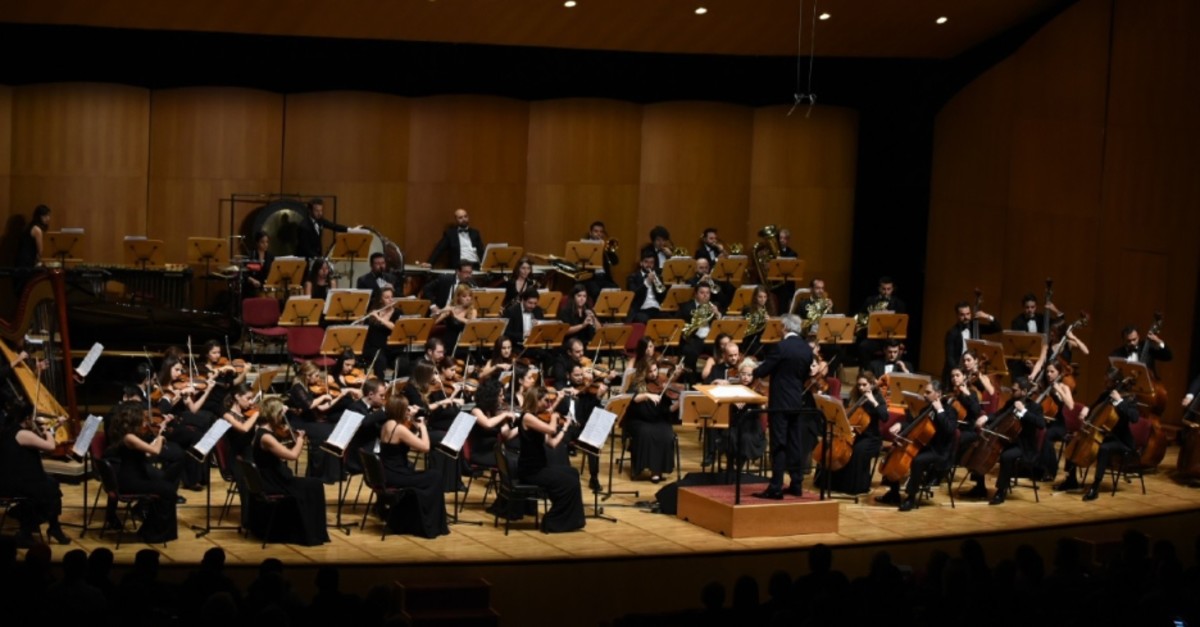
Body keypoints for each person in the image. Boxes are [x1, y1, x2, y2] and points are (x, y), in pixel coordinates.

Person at [248, 397, 330, 545]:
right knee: (315, 485)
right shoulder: (266, 437)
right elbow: (292, 456)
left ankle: (313, 531)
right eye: (281, 414)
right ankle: (312, 533)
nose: (282, 418)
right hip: (273, 482)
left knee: (313, 484)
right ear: (275, 414)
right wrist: (300, 440)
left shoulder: (261, 430)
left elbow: (278, 451)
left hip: (272, 477)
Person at [752, 314, 814, 499]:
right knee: (794, 442)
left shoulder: (781, 347)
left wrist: (754, 370)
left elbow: (763, 370)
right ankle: (796, 484)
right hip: (796, 400)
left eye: (780, 326)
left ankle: (776, 487)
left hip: (780, 402)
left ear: (785, 327)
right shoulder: (806, 348)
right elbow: (805, 375)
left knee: (779, 443)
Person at [876, 380, 957, 512]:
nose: (924, 395)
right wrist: (900, 425)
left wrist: (940, 410)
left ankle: (911, 498)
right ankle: (893, 493)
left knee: (917, 461)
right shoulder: (926, 409)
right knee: (896, 449)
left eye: (928, 392)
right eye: (925, 392)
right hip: (924, 446)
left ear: (938, 394)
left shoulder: (950, 411)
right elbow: (914, 424)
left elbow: (950, 429)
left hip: (939, 451)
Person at [104, 402, 179, 543]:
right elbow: (155, 451)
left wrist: (159, 434)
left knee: (167, 488)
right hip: (130, 481)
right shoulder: (129, 437)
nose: (145, 421)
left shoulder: (130, 436)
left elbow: (148, 454)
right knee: (168, 490)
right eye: (142, 417)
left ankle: (150, 530)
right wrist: (160, 439)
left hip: (136, 477)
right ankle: (154, 533)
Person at [376, 395, 449, 538]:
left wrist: (414, 426)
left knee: (429, 475)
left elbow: (410, 441)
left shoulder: (387, 424)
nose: (409, 411)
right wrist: (423, 427)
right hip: (397, 476)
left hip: (388, 473)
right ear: (400, 410)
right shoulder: (398, 429)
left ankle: (412, 520)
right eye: (406, 409)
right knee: (435, 476)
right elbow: (425, 447)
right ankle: (429, 524)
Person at [517, 387, 585, 533]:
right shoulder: (527, 417)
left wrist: (565, 428)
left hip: (540, 466)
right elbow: (551, 430)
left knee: (573, 473)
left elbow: (552, 443)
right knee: (569, 482)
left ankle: (573, 519)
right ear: (536, 400)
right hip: (531, 471)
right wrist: (554, 416)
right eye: (546, 401)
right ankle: (553, 521)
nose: (549, 404)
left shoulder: (539, 417)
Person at [0, 410, 69, 546]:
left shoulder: (10, 430)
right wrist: (48, 431)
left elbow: (40, 440)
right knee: (51, 491)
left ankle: (50, 527)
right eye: (33, 417)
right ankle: (30, 530)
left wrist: (54, 427)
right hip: (14, 483)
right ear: (27, 419)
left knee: (51, 485)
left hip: (12, 479)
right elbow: (50, 446)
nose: (34, 420)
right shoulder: (23, 434)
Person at [824, 373, 886, 496]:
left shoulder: (878, 398)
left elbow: (885, 417)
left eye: (864, 385)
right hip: (855, 435)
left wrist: (873, 401)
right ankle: (833, 484)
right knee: (832, 448)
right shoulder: (855, 396)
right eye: (859, 385)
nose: (861, 388)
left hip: (871, 438)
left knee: (857, 451)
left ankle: (856, 486)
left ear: (872, 384)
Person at [987, 377, 1045, 505]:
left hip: (1024, 446)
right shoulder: (1011, 402)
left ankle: (1001, 491)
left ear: (1024, 391)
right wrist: (986, 418)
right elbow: (999, 415)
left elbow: (1041, 424)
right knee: (983, 446)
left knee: (1006, 456)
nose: (1011, 393)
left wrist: (1023, 411)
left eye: (1014, 390)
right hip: (1009, 441)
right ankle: (979, 486)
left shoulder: (1034, 407)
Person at [626, 360, 679, 483]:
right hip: (639, 420)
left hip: (658, 419)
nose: (654, 374)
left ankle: (657, 470)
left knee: (666, 434)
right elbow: (632, 398)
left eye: (655, 370)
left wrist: (678, 404)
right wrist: (647, 395)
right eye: (650, 371)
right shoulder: (636, 383)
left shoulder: (661, 384)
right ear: (643, 371)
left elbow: (667, 410)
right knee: (646, 432)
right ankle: (645, 467)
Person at [943, 300, 1001, 383]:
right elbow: (950, 357)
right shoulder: (952, 333)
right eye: (962, 315)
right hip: (959, 368)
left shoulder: (975, 327)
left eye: (968, 314)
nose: (966, 317)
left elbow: (997, 328)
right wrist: (958, 373)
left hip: (975, 369)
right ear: (957, 315)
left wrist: (987, 316)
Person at [678, 282, 721, 381]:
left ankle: (715, 379)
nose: (705, 295)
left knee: (722, 349)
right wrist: (698, 316)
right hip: (694, 339)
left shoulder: (714, 306)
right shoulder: (686, 307)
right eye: (702, 293)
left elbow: (719, 325)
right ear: (696, 294)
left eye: (708, 293)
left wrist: (717, 314)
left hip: (710, 339)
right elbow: (681, 325)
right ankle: (691, 382)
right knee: (689, 352)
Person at [361, 286, 400, 378]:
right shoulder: (374, 312)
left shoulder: (398, 312)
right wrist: (362, 322)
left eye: (391, 297)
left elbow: (395, 327)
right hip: (373, 347)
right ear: (380, 300)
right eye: (386, 297)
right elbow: (367, 330)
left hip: (391, 348)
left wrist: (379, 318)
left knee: (403, 362)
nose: (390, 300)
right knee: (380, 359)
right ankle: (380, 383)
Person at [13, 204, 51, 295]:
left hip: (20, 262)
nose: (48, 218)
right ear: (39, 216)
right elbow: (40, 252)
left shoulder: (29, 227)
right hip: (27, 264)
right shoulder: (37, 230)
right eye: (45, 216)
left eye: (48, 215)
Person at [626, 250, 668, 324]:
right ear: (641, 263)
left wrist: (657, 282)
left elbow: (662, 297)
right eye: (646, 262)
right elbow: (633, 295)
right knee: (644, 319)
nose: (649, 265)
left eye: (651, 262)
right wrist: (646, 283)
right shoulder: (632, 277)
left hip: (656, 308)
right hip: (641, 310)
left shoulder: (657, 276)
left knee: (669, 319)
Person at [434, 283, 477, 354]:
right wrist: (440, 312)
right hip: (448, 343)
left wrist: (455, 315)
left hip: (463, 344)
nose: (468, 299)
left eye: (470, 296)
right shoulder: (450, 309)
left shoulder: (472, 311)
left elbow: (471, 323)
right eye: (464, 296)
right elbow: (434, 322)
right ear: (458, 297)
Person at [582, 221, 620, 300]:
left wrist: (607, 250)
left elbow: (615, 262)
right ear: (590, 233)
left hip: (604, 278)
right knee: (596, 292)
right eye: (596, 231)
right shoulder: (585, 245)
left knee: (616, 290)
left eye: (601, 232)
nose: (598, 234)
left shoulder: (605, 246)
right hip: (591, 279)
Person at [559, 284, 599, 350]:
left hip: (587, 342)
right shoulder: (566, 311)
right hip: (571, 343)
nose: (582, 299)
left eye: (584, 296)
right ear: (573, 297)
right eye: (579, 296)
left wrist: (594, 318)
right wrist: (582, 325)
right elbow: (565, 331)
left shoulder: (589, 310)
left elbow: (599, 330)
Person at [243, 230, 275, 297]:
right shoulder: (251, 255)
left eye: (267, 242)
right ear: (257, 243)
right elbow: (244, 273)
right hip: (252, 287)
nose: (265, 244)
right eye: (262, 242)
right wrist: (253, 280)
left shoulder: (270, 256)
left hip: (266, 286)